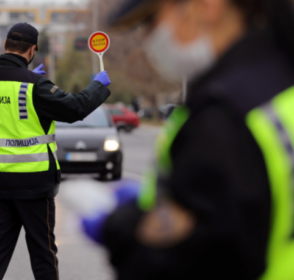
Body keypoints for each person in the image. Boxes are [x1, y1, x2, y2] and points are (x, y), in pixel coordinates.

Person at [74, 0, 294, 279]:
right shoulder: (279, 85)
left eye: (151, 21)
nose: (146, 39)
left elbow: (183, 262)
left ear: (205, 7)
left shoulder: (221, 119)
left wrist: (119, 229)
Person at [0, 22, 112, 280]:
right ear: (33, 50)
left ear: (5, 46)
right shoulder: (34, 86)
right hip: (34, 183)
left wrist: (27, 82)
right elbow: (75, 108)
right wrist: (98, 86)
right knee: (43, 253)